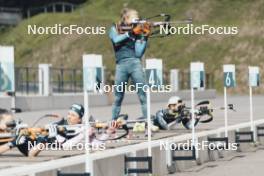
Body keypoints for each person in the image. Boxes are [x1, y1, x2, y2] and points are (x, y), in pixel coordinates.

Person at [109, 8, 151, 120]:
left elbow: (138, 53)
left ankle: (148, 123)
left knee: (143, 95)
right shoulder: (115, 28)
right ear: (126, 18)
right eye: (135, 17)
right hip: (121, 65)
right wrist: (131, 33)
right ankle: (113, 123)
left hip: (135, 63)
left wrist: (145, 37)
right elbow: (116, 40)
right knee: (118, 97)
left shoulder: (137, 31)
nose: (138, 19)